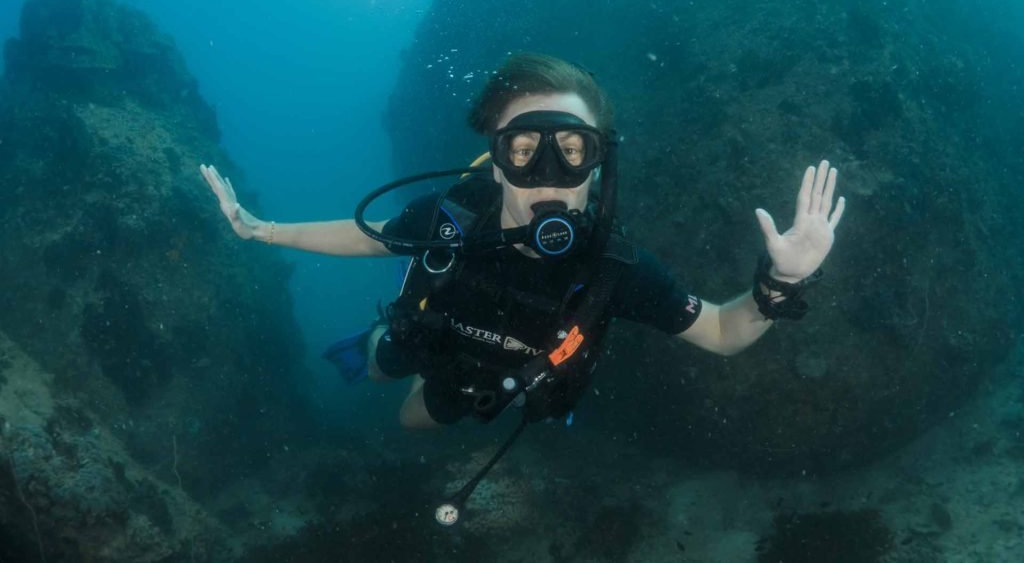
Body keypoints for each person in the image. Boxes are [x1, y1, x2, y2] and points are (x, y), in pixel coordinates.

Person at [200, 53, 845, 432]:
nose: (547, 177)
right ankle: (371, 347)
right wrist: (266, 230)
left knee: (412, 421)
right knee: (384, 361)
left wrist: (780, 284)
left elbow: (723, 332)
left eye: (571, 152)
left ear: (599, 164)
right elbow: (371, 239)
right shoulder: (450, 216)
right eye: (524, 150)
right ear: (497, 157)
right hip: (428, 333)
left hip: (492, 383)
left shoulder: (615, 270)